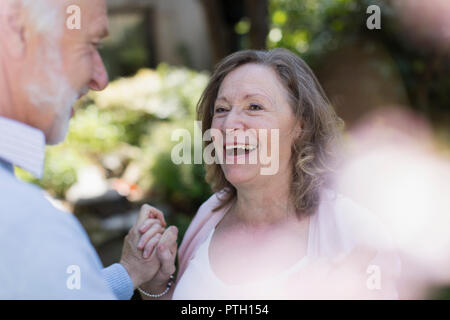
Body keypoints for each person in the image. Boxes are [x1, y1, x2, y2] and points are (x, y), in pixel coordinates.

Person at [137, 48, 401, 299]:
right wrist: (155, 286)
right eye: (221, 109)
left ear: (301, 125)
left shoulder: (357, 231)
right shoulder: (210, 214)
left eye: (254, 107)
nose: (229, 125)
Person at [0, 0, 177, 299]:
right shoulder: (26, 225)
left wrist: (129, 272)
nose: (100, 79)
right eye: (89, 45)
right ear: (17, 33)